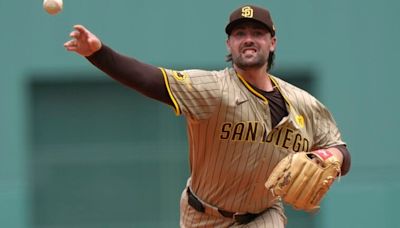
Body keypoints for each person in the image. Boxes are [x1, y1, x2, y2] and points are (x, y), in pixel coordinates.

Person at [64, 4, 351, 228]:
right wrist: (98, 54)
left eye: (257, 33)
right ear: (229, 44)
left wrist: (330, 158)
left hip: (263, 215)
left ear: (272, 42)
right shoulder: (213, 90)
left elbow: (340, 150)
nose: (248, 40)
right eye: (240, 34)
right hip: (202, 216)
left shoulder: (304, 104)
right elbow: (151, 80)